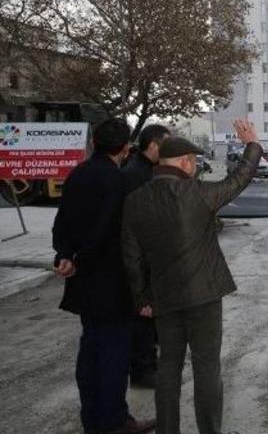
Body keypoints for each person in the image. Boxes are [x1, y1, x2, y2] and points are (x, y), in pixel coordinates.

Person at [121, 120, 261, 434]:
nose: (195, 167)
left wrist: (142, 297)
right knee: (207, 367)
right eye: (194, 162)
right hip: (204, 295)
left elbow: (131, 255)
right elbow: (238, 180)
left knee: (168, 365)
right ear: (185, 162)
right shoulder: (197, 193)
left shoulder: (136, 200)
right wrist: (252, 146)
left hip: (164, 297)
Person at [52, 118, 155, 434]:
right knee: (112, 356)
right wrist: (80, 258)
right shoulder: (118, 181)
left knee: (91, 352)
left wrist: (65, 254)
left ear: (93, 143)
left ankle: (93, 420)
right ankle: (113, 422)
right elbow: (108, 231)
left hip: (83, 283)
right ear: (126, 148)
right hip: (111, 283)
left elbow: (62, 222)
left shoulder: (78, 173)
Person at [122, 124, 171, 389]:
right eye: (166, 144)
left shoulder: (147, 170)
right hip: (142, 256)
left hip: (153, 256)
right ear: (153, 145)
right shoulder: (136, 175)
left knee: (152, 315)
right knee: (143, 313)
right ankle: (142, 369)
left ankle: (149, 364)